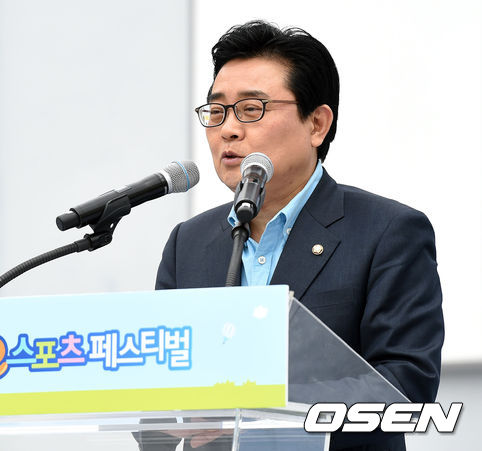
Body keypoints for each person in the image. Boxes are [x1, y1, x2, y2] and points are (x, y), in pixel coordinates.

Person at [154, 20, 444, 451]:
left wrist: (257, 405)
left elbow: (405, 385)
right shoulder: (188, 244)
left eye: (251, 109)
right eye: (216, 112)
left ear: (317, 124)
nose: (228, 129)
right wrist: (171, 416)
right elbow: (155, 397)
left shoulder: (387, 231)